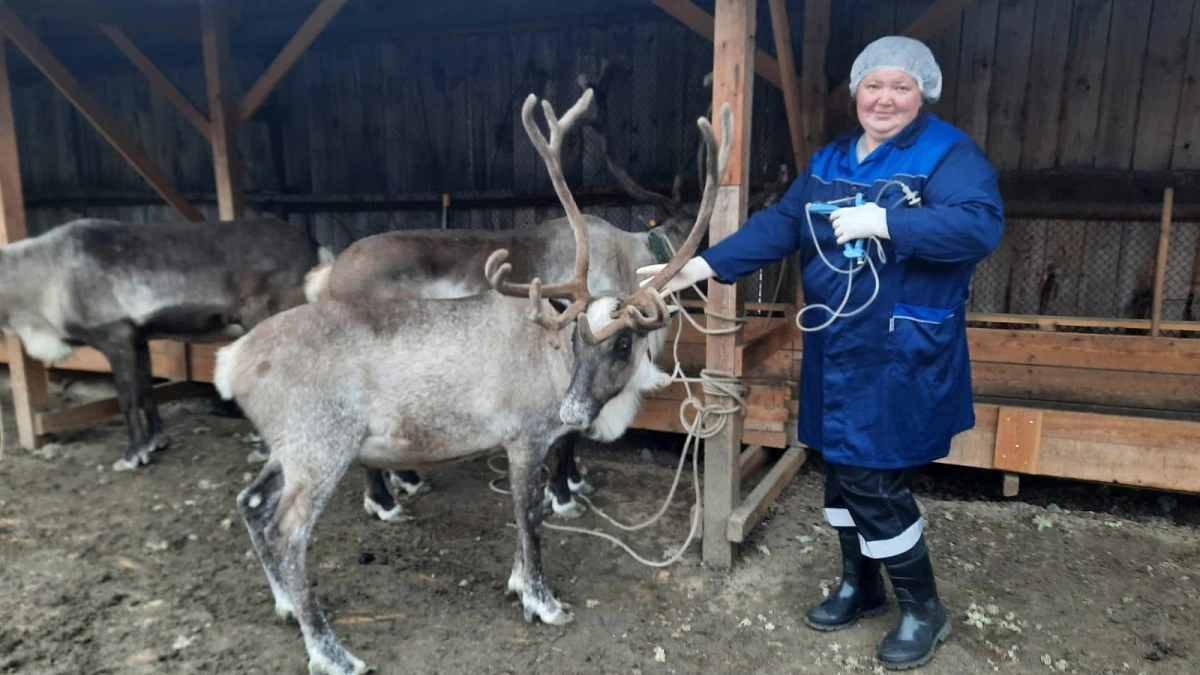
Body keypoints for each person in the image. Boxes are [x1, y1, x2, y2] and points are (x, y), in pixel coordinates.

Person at [639, 36, 1004, 670]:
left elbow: (979, 226)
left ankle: (924, 610)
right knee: (840, 471)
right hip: (836, 348)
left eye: (901, 88)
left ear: (922, 95)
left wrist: (888, 223)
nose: (884, 98)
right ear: (857, 92)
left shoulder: (948, 155)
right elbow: (781, 225)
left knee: (874, 480)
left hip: (899, 351)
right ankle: (860, 587)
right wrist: (695, 267)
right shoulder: (833, 158)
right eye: (874, 86)